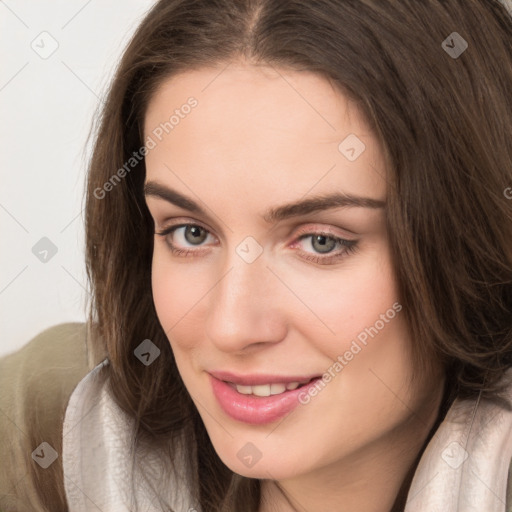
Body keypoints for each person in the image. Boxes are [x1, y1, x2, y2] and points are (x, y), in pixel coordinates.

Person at [1, 0, 512, 510]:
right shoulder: (37, 427)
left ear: (469, 242)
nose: (231, 327)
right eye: (191, 233)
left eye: (321, 241)